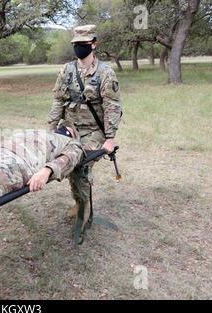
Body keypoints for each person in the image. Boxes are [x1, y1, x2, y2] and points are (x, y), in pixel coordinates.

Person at [46, 24, 122, 226]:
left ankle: (84, 206)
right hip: (69, 127)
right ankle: (79, 202)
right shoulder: (67, 70)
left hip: (93, 131)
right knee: (67, 163)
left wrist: (110, 138)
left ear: (94, 44)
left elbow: (112, 106)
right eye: (76, 44)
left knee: (81, 164)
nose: (79, 47)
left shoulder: (105, 73)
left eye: (84, 44)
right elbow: (58, 101)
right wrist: (51, 129)